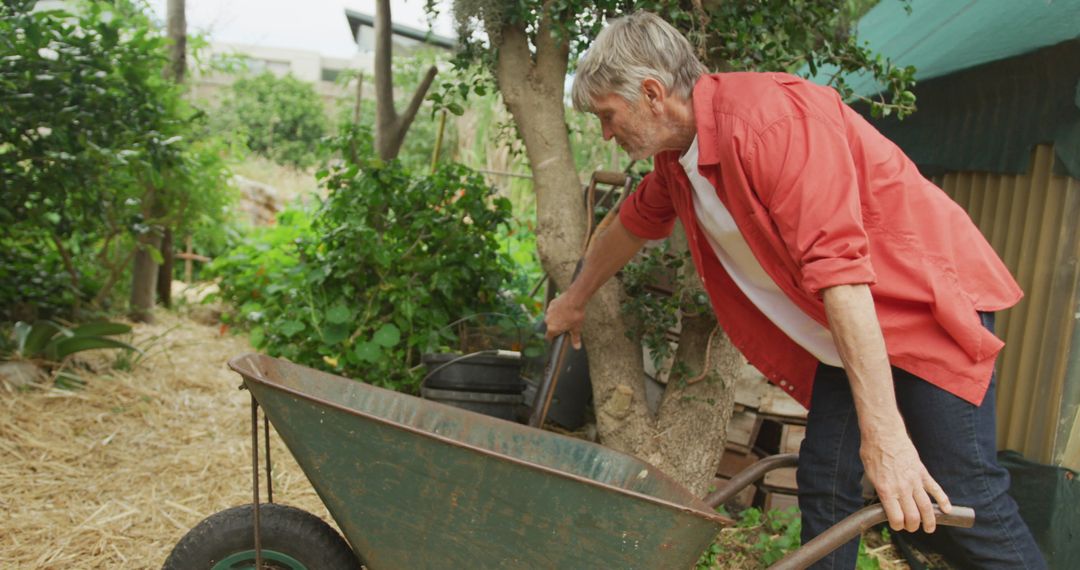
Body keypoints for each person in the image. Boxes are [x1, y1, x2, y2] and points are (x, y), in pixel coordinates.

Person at [543, 11, 1046, 569]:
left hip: (923, 307)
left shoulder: (771, 123)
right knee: (826, 481)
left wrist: (886, 439)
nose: (606, 133)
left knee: (966, 498)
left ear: (654, 93)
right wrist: (575, 298)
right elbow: (633, 223)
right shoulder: (679, 157)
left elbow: (843, 275)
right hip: (853, 327)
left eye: (608, 116)